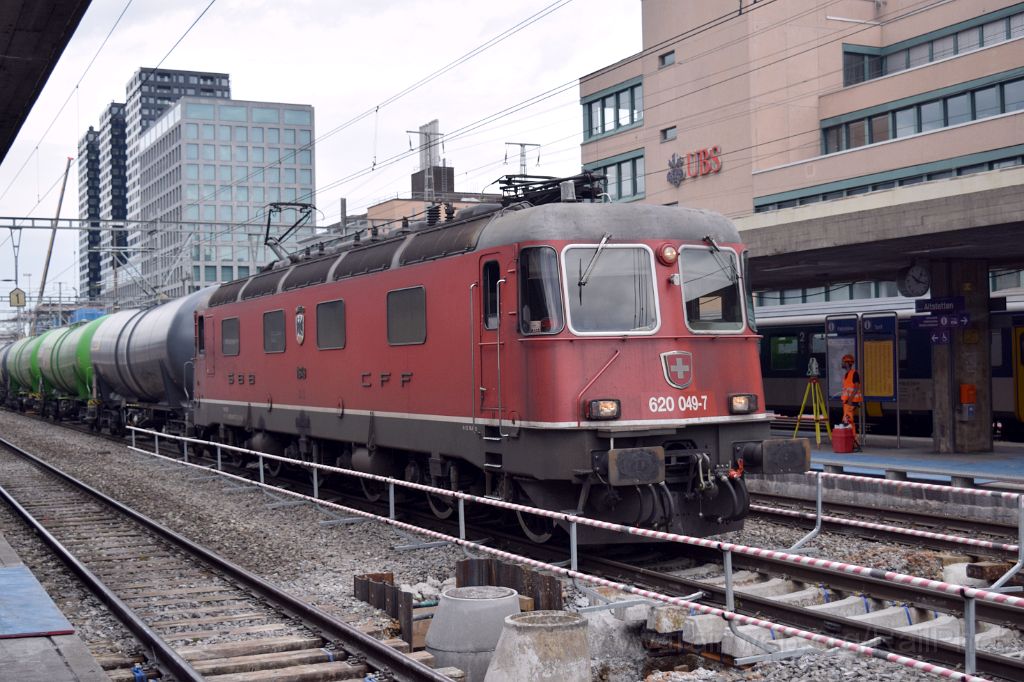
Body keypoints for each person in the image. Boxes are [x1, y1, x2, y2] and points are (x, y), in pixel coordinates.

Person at [840, 353, 863, 451]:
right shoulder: (847, 374)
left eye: (843, 362)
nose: (842, 364)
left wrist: (850, 399)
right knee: (849, 422)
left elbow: (856, 387)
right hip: (847, 402)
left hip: (851, 402)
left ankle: (855, 443)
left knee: (848, 421)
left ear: (847, 363)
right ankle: (854, 443)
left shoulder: (854, 373)